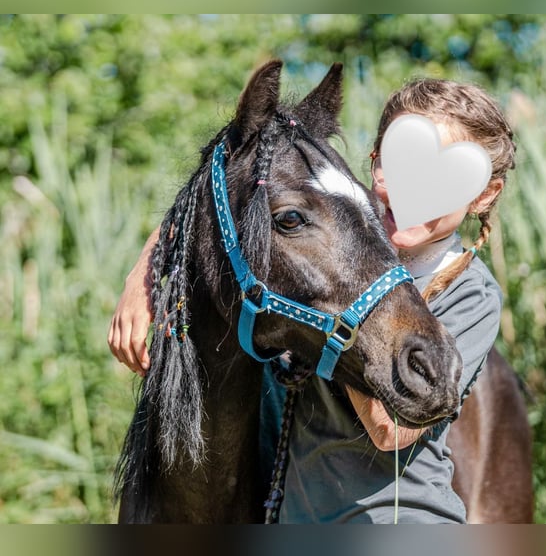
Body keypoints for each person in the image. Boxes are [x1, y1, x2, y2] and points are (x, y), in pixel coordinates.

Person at [108, 77, 516, 523]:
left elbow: (390, 428)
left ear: (483, 195)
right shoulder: (346, 221)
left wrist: (339, 323)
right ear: (374, 161)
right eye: (397, 168)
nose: (411, 193)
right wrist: (144, 272)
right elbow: (224, 201)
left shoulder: (472, 295)